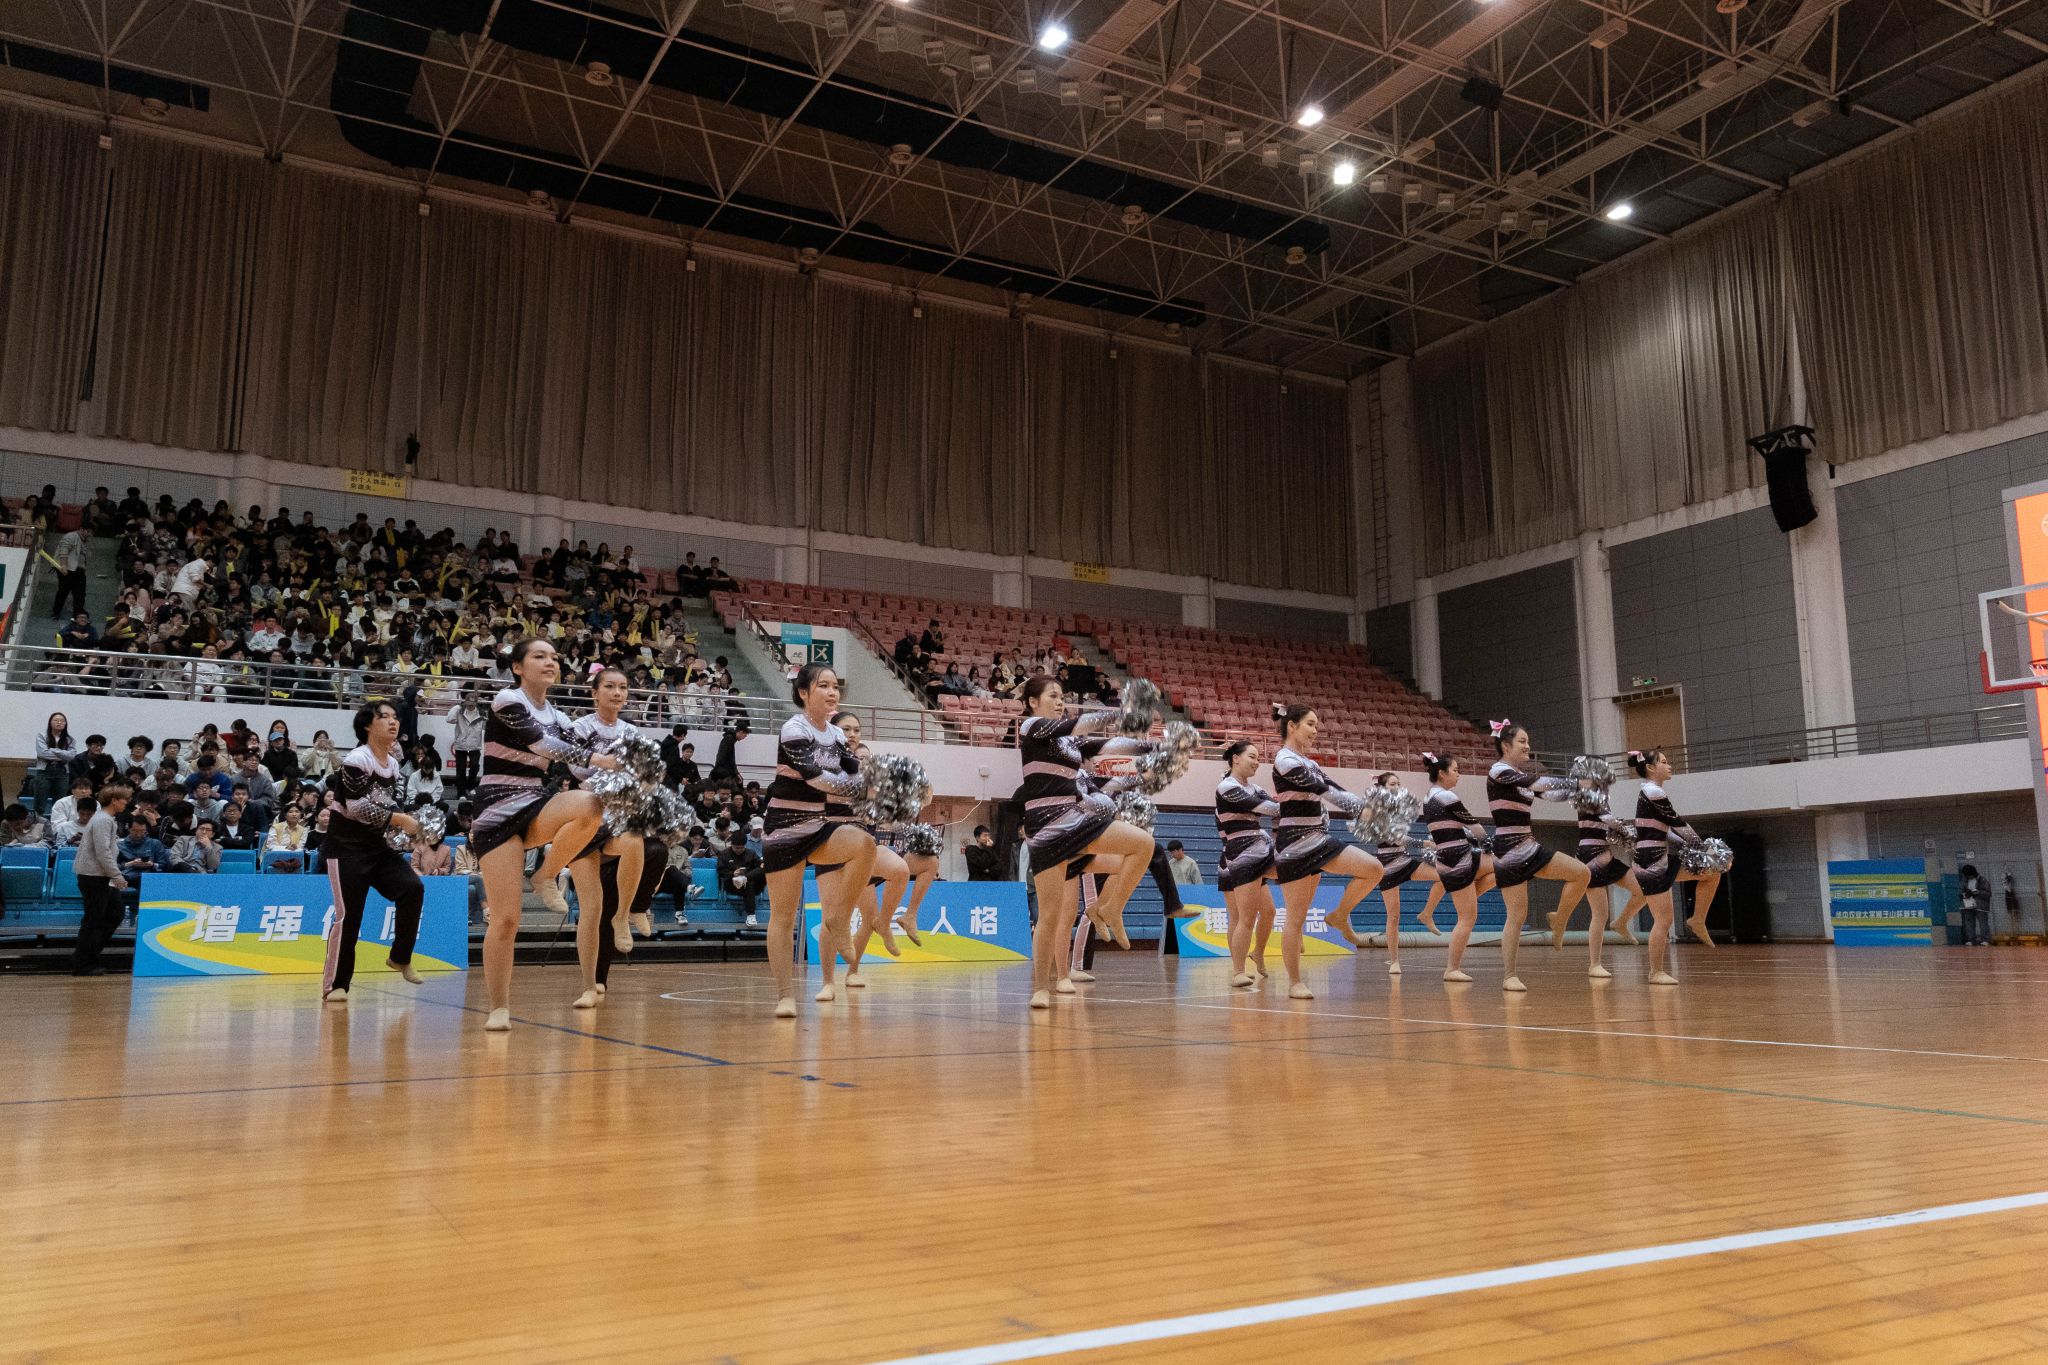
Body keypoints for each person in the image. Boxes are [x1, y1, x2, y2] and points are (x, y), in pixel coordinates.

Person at [474, 638, 616, 1031]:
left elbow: (581, 768)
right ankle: (498, 1007)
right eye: (539, 656)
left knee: (590, 804)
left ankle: (545, 874)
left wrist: (626, 769)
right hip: (496, 808)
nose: (550, 661)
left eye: (554, 656)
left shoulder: (560, 716)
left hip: (534, 801)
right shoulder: (507, 700)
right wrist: (596, 757)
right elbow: (543, 745)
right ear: (518, 667)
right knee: (506, 920)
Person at [1013, 675, 1155, 1009]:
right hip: (1045, 828)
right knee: (1050, 915)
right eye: (1052, 696)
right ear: (1032, 702)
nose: (1060, 701)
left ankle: (1110, 908)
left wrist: (1153, 747)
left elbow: (1106, 746)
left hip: (1076, 818)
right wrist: (1122, 711)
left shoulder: (1069, 742)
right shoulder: (1031, 727)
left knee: (1143, 844)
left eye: (1062, 696)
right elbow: (1078, 725)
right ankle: (1041, 987)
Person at [761, 665, 877, 1017]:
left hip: (818, 825)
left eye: (835, 687)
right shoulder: (794, 729)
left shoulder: (837, 735)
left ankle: (839, 919)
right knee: (783, 917)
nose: (832, 692)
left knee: (864, 845)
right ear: (803, 693)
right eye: (823, 686)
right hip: (784, 829)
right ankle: (785, 995)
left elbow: (855, 773)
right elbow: (815, 778)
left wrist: (888, 784)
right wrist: (859, 788)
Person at [320, 701, 428, 1003]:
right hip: (345, 848)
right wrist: (400, 819)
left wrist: (410, 827)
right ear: (367, 725)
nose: (393, 722)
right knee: (348, 917)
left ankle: (400, 957)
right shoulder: (357, 759)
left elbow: (387, 805)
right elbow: (356, 808)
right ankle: (336, 985)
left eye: (395, 717)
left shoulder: (392, 764)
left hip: (376, 846)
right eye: (384, 717)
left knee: (412, 887)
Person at [1272, 704, 1381, 1000]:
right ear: (1291, 726)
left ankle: (1339, 915)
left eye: (1317, 726)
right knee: (1296, 918)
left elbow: (1334, 786)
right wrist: (1359, 808)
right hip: (1294, 846)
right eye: (1310, 724)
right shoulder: (1284, 759)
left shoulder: (1310, 762)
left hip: (1318, 839)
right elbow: (1321, 790)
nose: (1315, 731)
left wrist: (1367, 807)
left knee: (1374, 869)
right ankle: (1295, 982)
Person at [1486, 720, 1591, 993]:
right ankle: (1509, 976)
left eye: (1527, 741)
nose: (1527, 746)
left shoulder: (1520, 776)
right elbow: (1538, 782)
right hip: (1509, 851)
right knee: (1517, 916)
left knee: (1581, 873)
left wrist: (1581, 788)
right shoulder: (1499, 771)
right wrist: (1576, 781)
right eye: (1522, 741)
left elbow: (1551, 794)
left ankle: (1559, 919)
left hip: (1530, 846)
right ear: (1505, 746)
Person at [566, 667, 650, 1005]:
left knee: (638, 843)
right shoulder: (580, 727)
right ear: (594, 693)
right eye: (610, 687)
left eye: (623, 687)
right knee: (591, 909)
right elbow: (577, 768)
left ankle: (625, 915)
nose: (618, 693)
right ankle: (590, 986)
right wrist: (614, 768)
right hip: (584, 814)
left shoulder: (632, 731)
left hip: (618, 812)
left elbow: (640, 772)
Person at [1627, 747, 1727, 985]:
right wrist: (1707, 850)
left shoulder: (1651, 792)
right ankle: (1655, 972)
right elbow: (1680, 825)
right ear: (1651, 768)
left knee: (1712, 872)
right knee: (1663, 920)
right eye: (1663, 762)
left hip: (1660, 858)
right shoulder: (1652, 791)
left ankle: (1697, 920)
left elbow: (1666, 831)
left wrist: (1690, 847)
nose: (1669, 765)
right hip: (1651, 863)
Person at [1422, 753, 1497, 982]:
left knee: (1502, 869)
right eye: (1455, 770)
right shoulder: (1446, 796)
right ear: (1442, 773)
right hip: (1459, 859)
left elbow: (1456, 828)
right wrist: (1488, 844)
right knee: (1467, 917)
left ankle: (1470, 895)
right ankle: (1452, 969)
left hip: (1450, 859)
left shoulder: (1429, 798)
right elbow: (1475, 826)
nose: (1458, 774)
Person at [1367, 771, 1446, 976]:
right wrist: (1426, 843)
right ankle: (1394, 961)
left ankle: (1426, 913)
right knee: (1393, 916)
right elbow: (1397, 839)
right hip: (1388, 867)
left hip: (1405, 860)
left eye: (1398, 783)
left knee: (1445, 876)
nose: (1397, 787)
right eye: (1392, 784)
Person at [1214, 741, 1278, 988]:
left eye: (1258, 757)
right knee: (1242, 917)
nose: (1257, 762)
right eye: (1252, 756)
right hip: (1238, 855)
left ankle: (1258, 952)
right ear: (1236, 758)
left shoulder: (1255, 788)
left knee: (1268, 911)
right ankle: (1238, 970)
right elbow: (1270, 808)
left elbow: (1277, 810)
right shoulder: (1227, 787)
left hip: (1257, 851)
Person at [71, 785, 131, 975]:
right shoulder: (103, 820)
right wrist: (117, 875)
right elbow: (103, 851)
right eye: (124, 799)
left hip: (99, 875)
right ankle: (83, 963)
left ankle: (88, 956)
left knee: (114, 913)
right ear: (114, 800)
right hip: (94, 876)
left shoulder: (104, 819)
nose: (126, 803)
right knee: (94, 920)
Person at [31, 711, 78, 808]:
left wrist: (53, 750)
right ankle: (39, 817)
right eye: (56, 720)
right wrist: (63, 755)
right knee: (40, 802)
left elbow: (71, 756)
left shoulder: (70, 739)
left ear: (65, 724)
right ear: (50, 722)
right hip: (44, 771)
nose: (59, 722)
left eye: (62, 721)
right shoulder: (42, 736)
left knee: (60, 803)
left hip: (63, 773)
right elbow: (43, 753)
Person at [719, 836, 763, 926]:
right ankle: (751, 915)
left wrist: (746, 876)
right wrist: (732, 873)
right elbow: (720, 871)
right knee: (749, 884)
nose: (739, 850)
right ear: (731, 845)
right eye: (737, 848)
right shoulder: (724, 854)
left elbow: (760, 867)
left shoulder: (751, 853)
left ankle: (745, 878)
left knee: (761, 870)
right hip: (732, 884)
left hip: (751, 883)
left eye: (742, 848)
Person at [449, 691, 486, 794]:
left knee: (475, 766)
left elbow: (486, 727)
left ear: (476, 703)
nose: (470, 706)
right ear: (465, 702)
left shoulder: (481, 713)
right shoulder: (459, 711)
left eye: (472, 704)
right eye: (468, 704)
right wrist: (456, 707)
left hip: (475, 745)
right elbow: (449, 719)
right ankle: (461, 792)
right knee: (460, 769)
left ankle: (471, 786)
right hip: (461, 745)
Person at [51, 522, 90, 620]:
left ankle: (78, 614)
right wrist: (64, 565)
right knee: (63, 591)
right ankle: (56, 612)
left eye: (91, 532)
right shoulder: (70, 536)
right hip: (68, 569)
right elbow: (63, 551)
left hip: (79, 569)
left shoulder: (84, 540)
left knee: (80, 594)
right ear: (82, 529)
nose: (90, 534)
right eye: (88, 531)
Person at [1958, 863, 1993, 946]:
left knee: (1983, 923)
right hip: (1968, 904)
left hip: (1980, 905)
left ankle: (1985, 940)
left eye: (1969, 875)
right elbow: (1960, 891)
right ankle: (1971, 940)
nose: (1968, 877)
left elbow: (1988, 893)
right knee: (1969, 923)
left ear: (1973, 873)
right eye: (1966, 875)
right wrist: (1964, 894)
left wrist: (1978, 892)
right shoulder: (1964, 881)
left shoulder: (1982, 880)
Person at [711, 718, 749, 785]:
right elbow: (730, 758)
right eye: (744, 736)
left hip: (721, 768)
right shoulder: (730, 739)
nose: (744, 738)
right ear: (741, 732)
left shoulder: (729, 738)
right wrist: (736, 773)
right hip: (722, 770)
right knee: (738, 782)